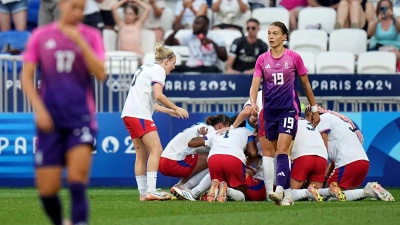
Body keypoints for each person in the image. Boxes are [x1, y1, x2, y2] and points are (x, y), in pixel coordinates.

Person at [21, 0, 106, 224]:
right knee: (47, 190)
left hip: (81, 117)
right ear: (62, 4)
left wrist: (79, 41)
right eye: (73, 6)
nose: (78, 12)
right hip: (50, 120)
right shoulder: (41, 35)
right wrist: (38, 109)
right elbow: (26, 77)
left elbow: (101, 73)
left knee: (77, 181)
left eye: (81, 7)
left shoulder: (91, 35)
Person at [249, 21, 320, 206]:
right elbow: (254, 85)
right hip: (269, 113)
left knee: (282, 149)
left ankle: (279, 189)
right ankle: (287, 194)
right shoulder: (262, 59)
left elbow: (306, 85)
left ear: (284, 36)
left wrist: (314, 109)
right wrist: (255, 104)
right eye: (269, 33)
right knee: (278, 154)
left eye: (275, 33)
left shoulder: (294, 58)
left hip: (289, 110)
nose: (271, 37)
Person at [121, 43, 189, 201]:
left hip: (129, 114)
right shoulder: (159, 70)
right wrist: (176, 107)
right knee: (156, 150)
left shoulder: (146, 67)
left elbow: (150, 101)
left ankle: (144, 193)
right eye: (173, 63)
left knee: (141, 154)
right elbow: (158, 95)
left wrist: (169, 111)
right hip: (139, 115)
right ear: (166, 61)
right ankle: (151, 190)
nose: (173, 67)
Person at [304, 105, 395, 202]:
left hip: (348, 163)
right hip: (363, 163)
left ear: (311, 114)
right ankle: (371, 191)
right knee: (340, 196)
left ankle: (367, 191)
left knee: (327, 196)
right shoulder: (339, 121)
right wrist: (327, 175)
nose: (310, 125)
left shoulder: (322, 119)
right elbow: (334, 159)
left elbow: (323, 149)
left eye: (308, 121)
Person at [187, 116, 257, 202]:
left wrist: (202, 135)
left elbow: (191, 143)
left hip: (214, 159)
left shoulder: (218, 132)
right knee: (242, 195)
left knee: (217, 183)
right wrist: (245, 151)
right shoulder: (247, 131)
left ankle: (213, 190)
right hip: (234, 159)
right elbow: (253, 152)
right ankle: (227, 190)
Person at [159, 114, 230, 189]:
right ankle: (185, 188)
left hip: (163, 162)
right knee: (214, 161)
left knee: (209, 157)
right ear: (221, 125)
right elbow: (192, 144)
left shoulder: (204, 127)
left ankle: (180, 186)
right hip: (173, 162)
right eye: (227, 129)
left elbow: (195, 149)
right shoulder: (212, 131)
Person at [289, 118, 327, 202]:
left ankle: (307, 192)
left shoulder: (289, 122)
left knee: (288, 194)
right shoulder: (309, 124)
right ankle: (329, 191)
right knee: (316, 193)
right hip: (322, 156)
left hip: (304, 156)